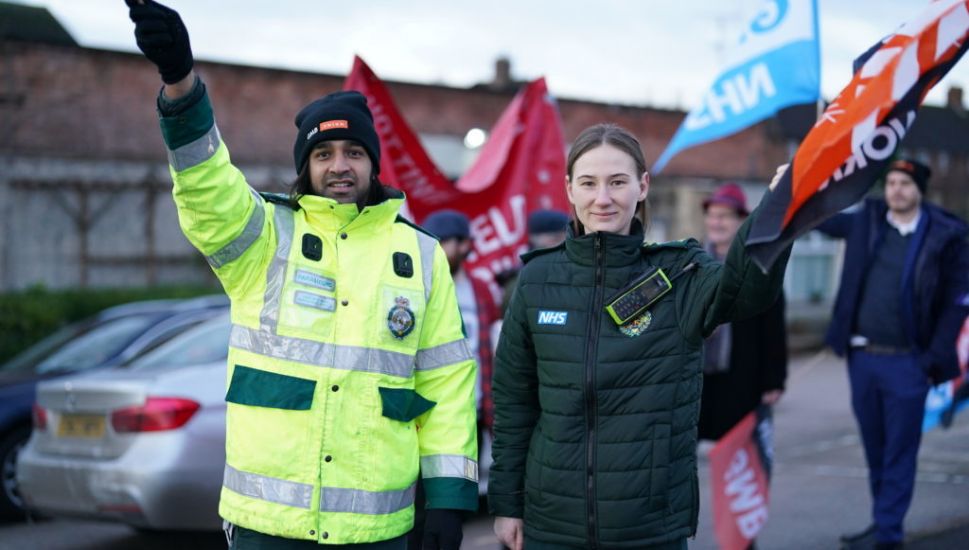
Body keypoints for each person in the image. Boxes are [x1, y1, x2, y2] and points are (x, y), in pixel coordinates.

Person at [125, 2, 478, 548]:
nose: (340, 165)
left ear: (373, 164)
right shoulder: (265, 237)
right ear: (306, 168)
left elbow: (446, 384)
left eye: (354, 151)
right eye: (325, 153)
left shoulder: (422, 254)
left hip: (376, 528)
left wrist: (451, 498)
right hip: (269, 527)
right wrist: (180, 85)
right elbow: (207, 186)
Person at [488, 123, 791, 549]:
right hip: (551, 523)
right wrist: (507, 503)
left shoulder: (681, 273)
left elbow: (746, 290)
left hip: (648, 527)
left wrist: (779, 209)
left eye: (617, 182)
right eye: (589, 183)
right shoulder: (536, 279)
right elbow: (514, 403)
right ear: (570, 189)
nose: (603, 198)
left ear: (643, 185)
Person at [816, 158, 969, 550]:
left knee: (900, 451)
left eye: (904, 183)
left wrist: (932, 358)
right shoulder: (867, 222)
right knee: (875, 447)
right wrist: (801, 186)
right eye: (891, 182)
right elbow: (820, 218)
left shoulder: (945, 235)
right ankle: (884, 520)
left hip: (909, 362)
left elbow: (957, 301)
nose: (896, 189)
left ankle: (888, 534)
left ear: (919, 188)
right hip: (863, 359)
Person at [698, 183, 787, 443]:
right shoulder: (691, 260)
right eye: (712, 215)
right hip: (697, 375)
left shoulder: (758, 263)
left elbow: (773, 326)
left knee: (735, 455)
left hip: (741, 375)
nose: (716, 222)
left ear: (742, 220)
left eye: (724, 216)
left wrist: (774, 380)